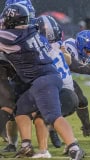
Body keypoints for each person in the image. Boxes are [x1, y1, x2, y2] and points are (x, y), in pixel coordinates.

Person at [0, 3, 85, 159]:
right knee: (21, 109)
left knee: (52, 115)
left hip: (43, 80)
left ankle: (74, 147)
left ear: (11, 21)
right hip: (46, 78)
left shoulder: (11, 36)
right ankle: (26, 146)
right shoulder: (32, 31)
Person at [35, 15, 90, 152]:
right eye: (88, 50)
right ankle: (52, 131)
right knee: (48, 110)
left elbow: (71, 64)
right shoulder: (66, 46)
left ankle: (86, 127)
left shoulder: (56, 44)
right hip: (50, 79)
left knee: (81, 101)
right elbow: (73, 65)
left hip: (59, 78)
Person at [0, 0, 36, 153]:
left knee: (12, 104)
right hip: (8, 71)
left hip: (13, 73)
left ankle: (14, 142)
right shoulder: (10, 32)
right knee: (9, 104)